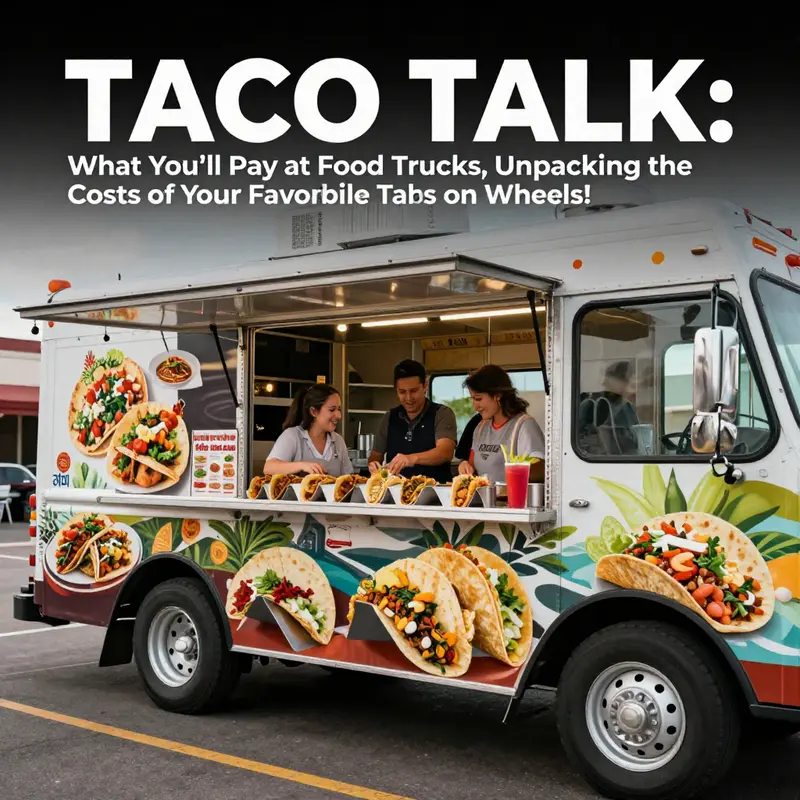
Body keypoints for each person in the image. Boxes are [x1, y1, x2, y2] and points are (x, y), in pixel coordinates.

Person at [368, 359, 457, 483]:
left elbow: (445, 452)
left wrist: (411, 459)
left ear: (425, 386)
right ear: (396, 390)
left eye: (414, 391)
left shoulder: (442, 413)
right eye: (402, 392)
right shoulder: (389, 417)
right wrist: (374, 466)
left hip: (435, 494)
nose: (408, 398)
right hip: (396, 494)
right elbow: (375, 456)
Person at [458, 364, 545, 485]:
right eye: (472, 399)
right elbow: (473, 468)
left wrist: (519, 471)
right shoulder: (480, 428)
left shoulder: (524, 425)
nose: (475, 407)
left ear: (497, 395)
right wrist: (464, 465)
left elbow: (541, 469)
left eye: (478, 399)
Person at [263, 383, 353, 477]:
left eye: (339, 409)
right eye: (332, 410)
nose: (339, 416)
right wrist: (302, 465)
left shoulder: (338, 441)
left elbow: (349, 477)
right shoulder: (293, 436)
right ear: (313, 412)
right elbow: (269, 468)